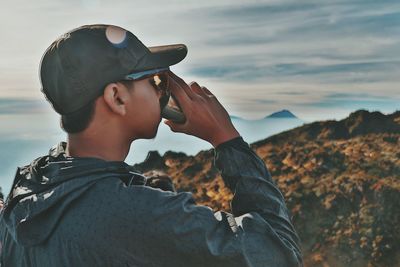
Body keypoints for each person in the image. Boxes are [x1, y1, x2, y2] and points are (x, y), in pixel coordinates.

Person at [0, 24, 303, 266]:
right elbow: (280, 253)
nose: (163, 91)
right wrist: (226, 138)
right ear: (117, 97)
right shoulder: (135, 214)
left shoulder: (29, 187)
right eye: (154, 80)